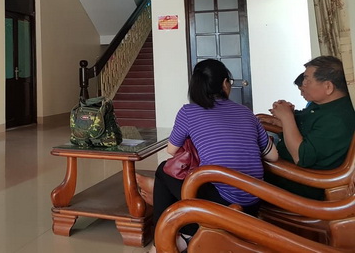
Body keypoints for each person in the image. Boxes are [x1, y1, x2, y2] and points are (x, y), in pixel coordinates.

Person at [136, 59, 278, 252]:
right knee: (186, 180)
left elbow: (172, 150)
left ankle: (160, 241)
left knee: (164, 170)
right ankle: (185, 236)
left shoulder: (188, 112)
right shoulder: (246, 112)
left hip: (223, 201)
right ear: (225, 84)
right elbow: (273, 156)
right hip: (253, 201)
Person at [265, 55, 355, 200]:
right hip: (286, 165)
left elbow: (301, 157)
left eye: (307, 80)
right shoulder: (323, 105)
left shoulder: (337, 119)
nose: (303, 84)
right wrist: (283, 118)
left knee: (244, 165)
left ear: (328, 87)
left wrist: (287, 118)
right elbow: (305, 123)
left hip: (301, 182)